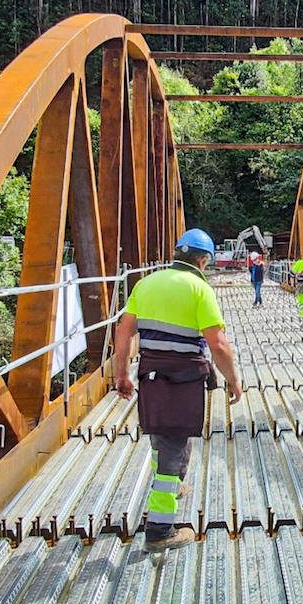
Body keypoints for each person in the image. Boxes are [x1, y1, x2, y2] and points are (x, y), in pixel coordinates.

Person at [113, 228, 243, 553]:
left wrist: (121, 375)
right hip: (182, 380)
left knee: (162, 436)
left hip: (149, 376)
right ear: (203, 260)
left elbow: (125, 331)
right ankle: (159, 530)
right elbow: (218, 344)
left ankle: (171, 483)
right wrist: (233, 379)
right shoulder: (199, 288)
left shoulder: (146, 283)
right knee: (174, 443)